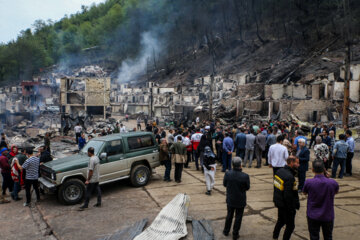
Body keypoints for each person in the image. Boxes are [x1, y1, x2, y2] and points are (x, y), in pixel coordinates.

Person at [303, 161, 339, 240]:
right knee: (328, 236)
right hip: (328, 215)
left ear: (312, 170)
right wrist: (328, 178)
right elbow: (335, 192)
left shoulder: (308, 182)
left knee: (314, 236)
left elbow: (304, 192)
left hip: (313, 214)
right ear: (324, 169)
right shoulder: (333, 183)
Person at [273, 156, 300, 240]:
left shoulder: (279, 171)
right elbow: (288, 196)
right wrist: (291, 208)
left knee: (280, 221)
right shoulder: (289, 177)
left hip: (279, 202)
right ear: (291, 163)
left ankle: (275, 236)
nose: (298, 165)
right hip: (286, 206)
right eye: (297, 163)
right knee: (290, 226)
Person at [223, 157, 250, 240]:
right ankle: (235, 234)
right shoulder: (245, 176)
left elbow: (224, 184)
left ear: (233, 165)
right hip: (240, 200)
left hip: (231, 199)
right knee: (238, 217)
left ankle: (226, 231)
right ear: (240, 165)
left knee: (229, 215)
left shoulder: (228, 174)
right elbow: (247, 187)